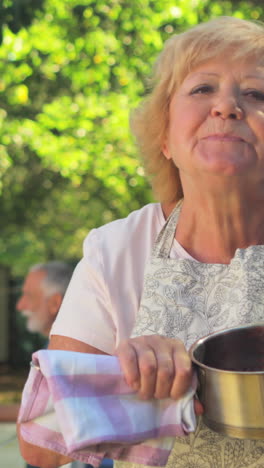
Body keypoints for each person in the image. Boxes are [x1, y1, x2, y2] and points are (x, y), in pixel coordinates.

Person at [18, 15, 264, 468]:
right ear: (165, 138)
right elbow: (39, 442)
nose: (228, 106)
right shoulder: (115, 250)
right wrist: (129, 377)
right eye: (202, 89)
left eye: (256, 93)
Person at [0, 261, 73, 468]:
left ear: (54, 303)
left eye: (28, 296)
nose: (20, 305)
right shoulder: (52, 345)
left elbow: (53, 413)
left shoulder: (66, 352)